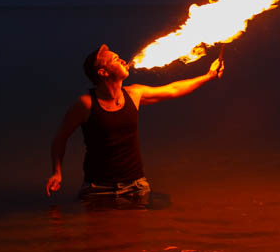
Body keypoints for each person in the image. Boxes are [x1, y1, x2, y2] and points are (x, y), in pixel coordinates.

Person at [46, 43, 224, 203]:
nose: (123, 60)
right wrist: (57, 172)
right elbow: (60, 138)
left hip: (136, 186)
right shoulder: (86, 104)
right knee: (99, 238)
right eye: (116, 59)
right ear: (103, 72)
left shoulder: (134, 94)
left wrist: (207, 77)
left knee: (134, 239)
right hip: (98, 189)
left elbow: (173, 89)